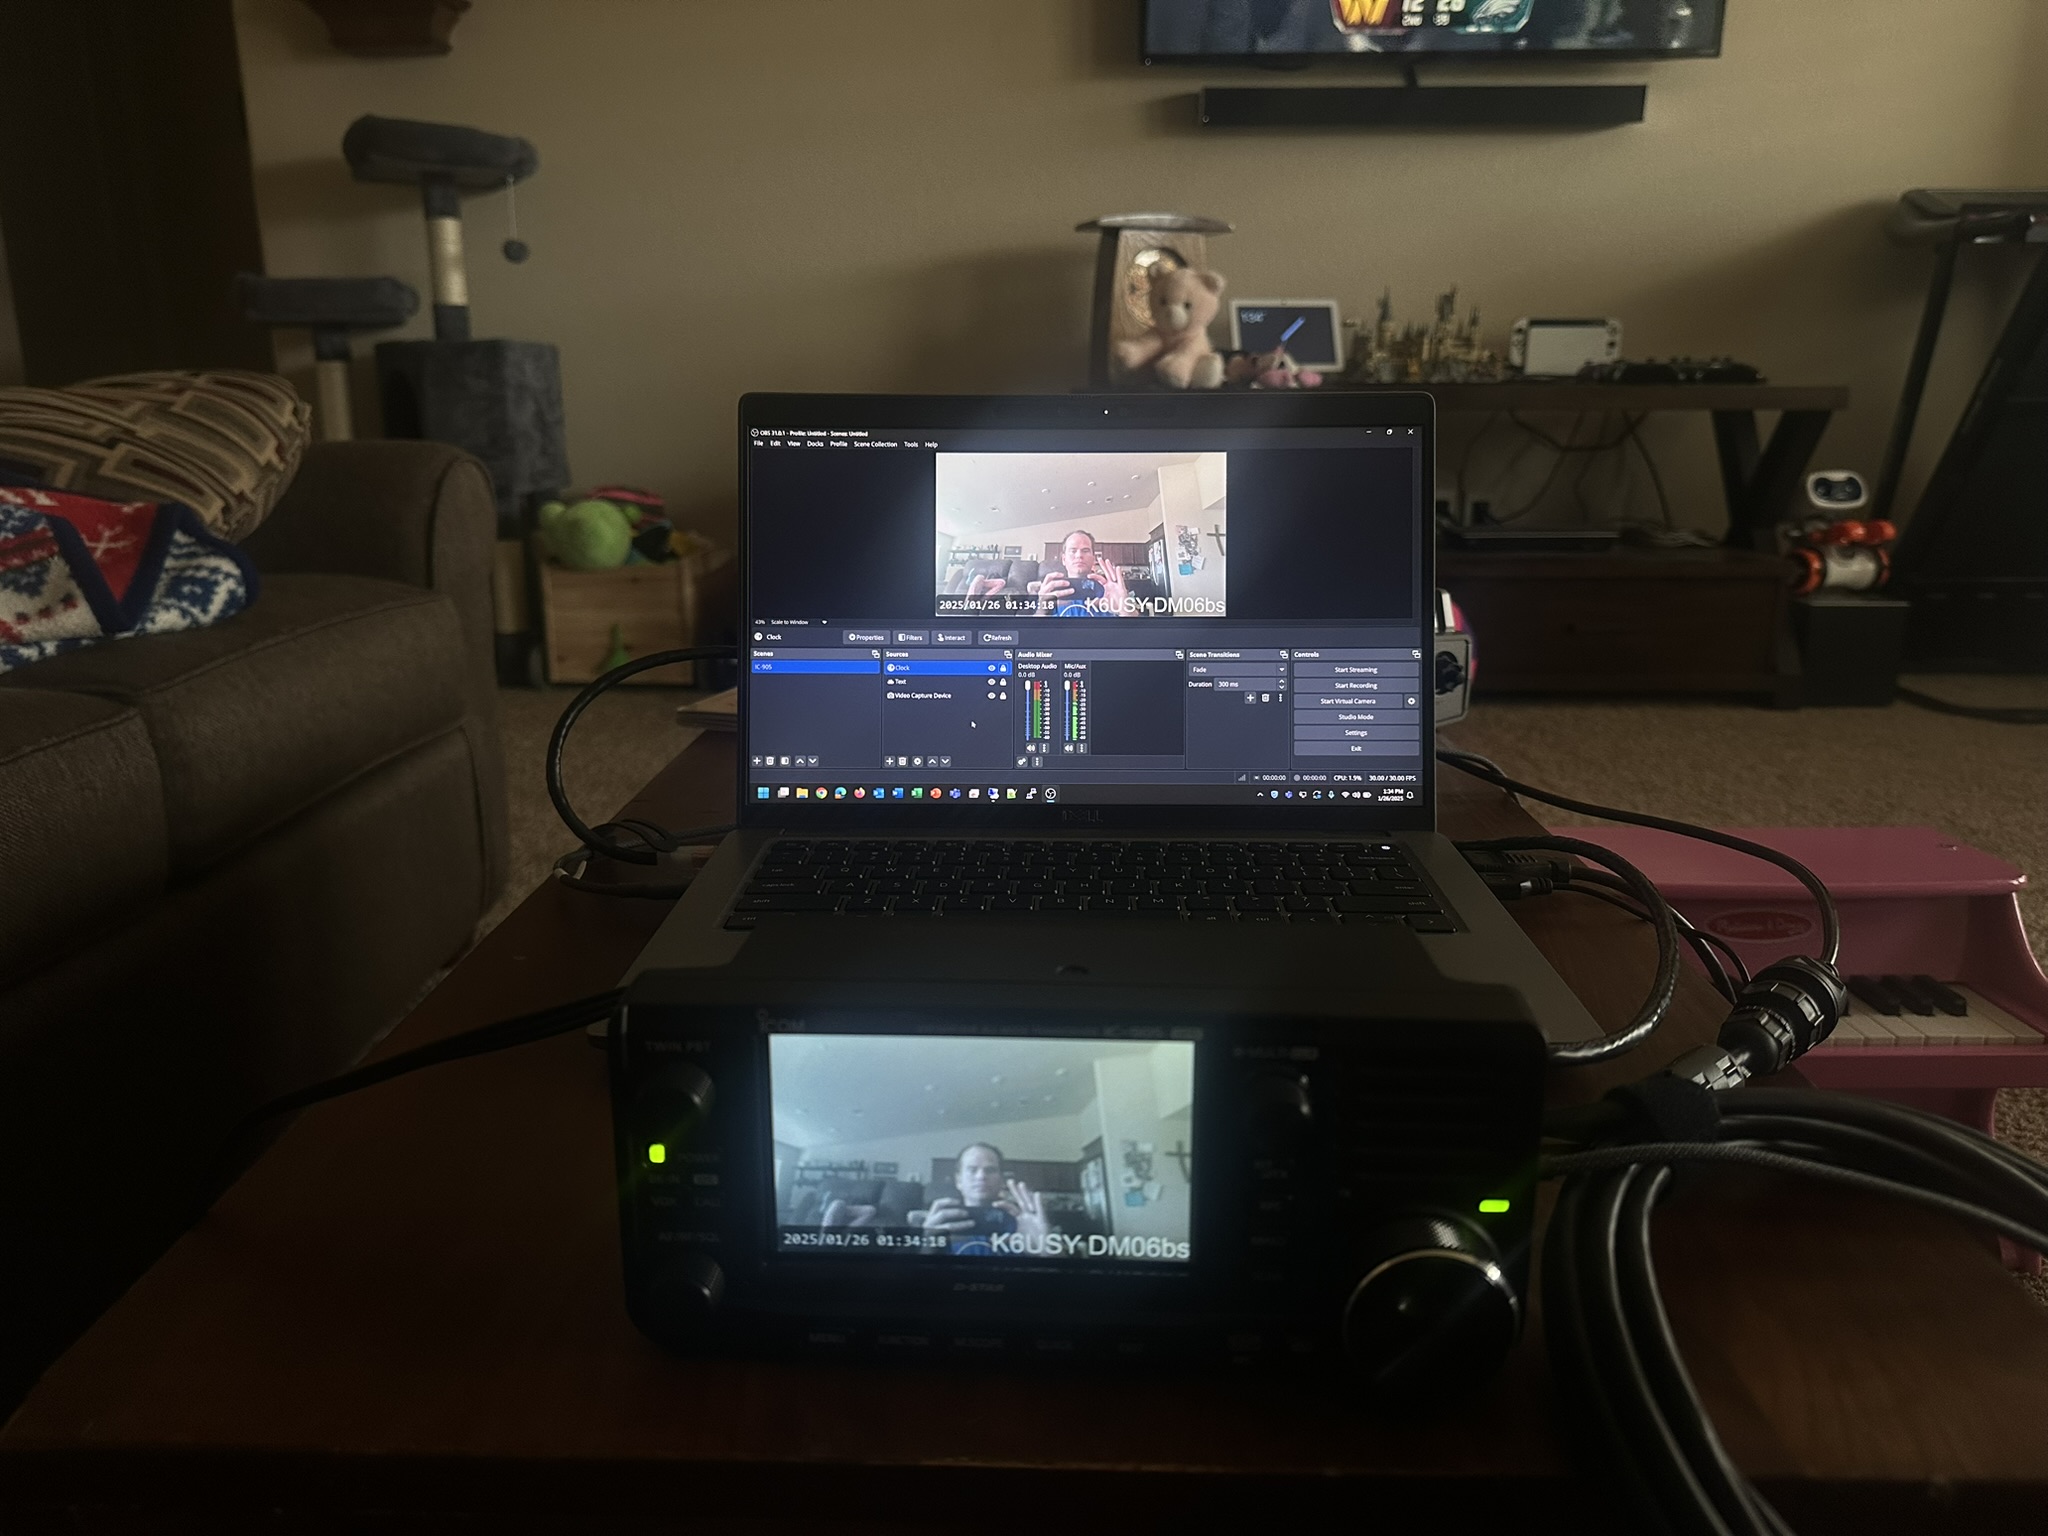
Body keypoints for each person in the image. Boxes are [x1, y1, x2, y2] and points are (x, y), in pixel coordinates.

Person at [917, 1143, 1051, 1244]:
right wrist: (928, 1243)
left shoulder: (1021, 1222)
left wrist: (1045, 1249)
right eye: (972, 1170)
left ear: (1001, 1180)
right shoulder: (939, 1220)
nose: (981, 1176)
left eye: (990, 1170)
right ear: (958, 1181)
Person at [1035, 530, 1131, 618]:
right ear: (1064, 559)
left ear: (1093, 559)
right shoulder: (1050, 592)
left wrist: (1125, 610)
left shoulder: (1108, 591)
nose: (1079, 555)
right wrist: (1041, 611)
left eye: (1085, 551)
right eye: (1073, 551)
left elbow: (1134, 629)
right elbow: (1034, 630)